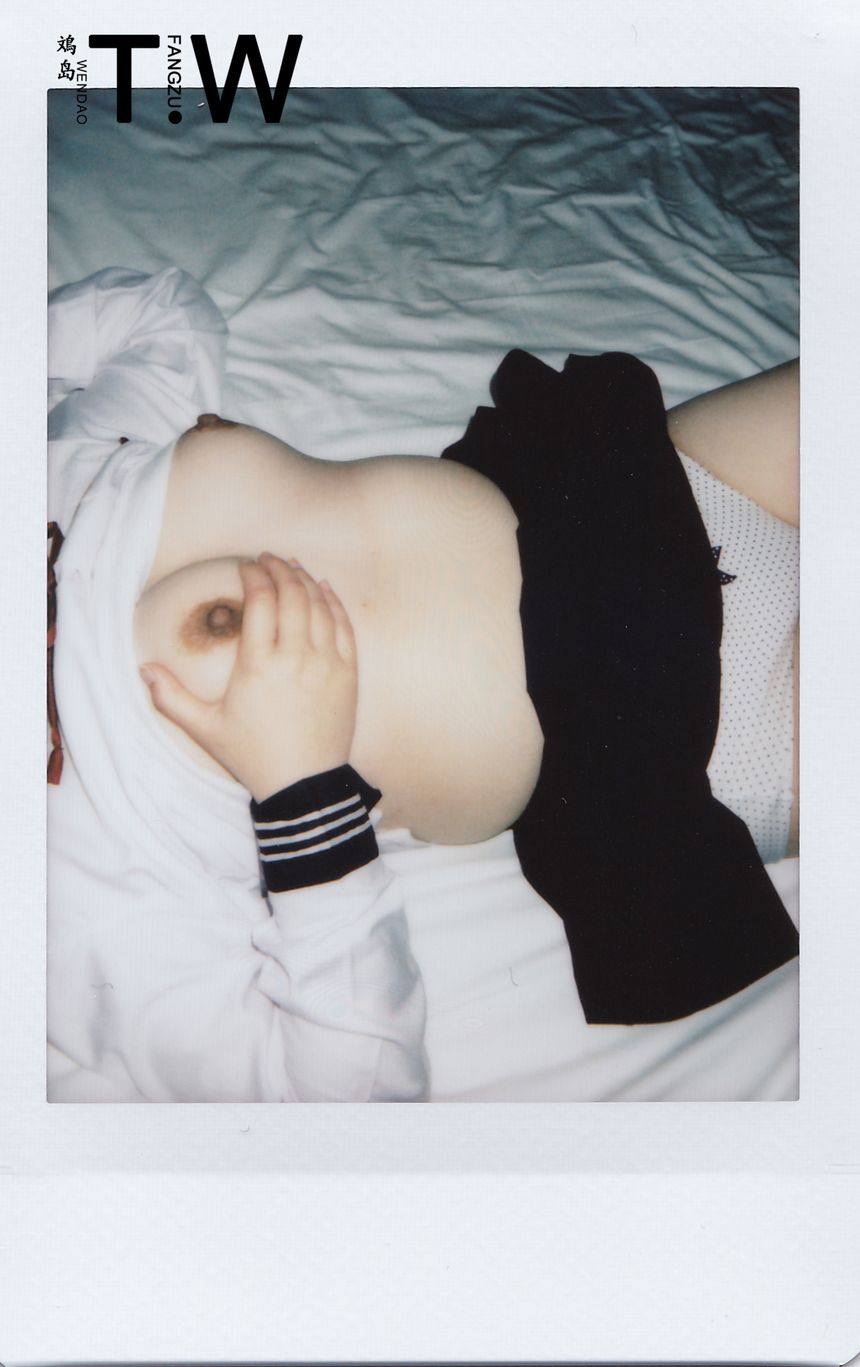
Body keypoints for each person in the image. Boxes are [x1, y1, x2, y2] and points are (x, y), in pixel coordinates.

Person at [48, 266, 799, 1099]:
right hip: (675, 730)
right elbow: (342, 1099)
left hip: (635, 482)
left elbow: (163, 316)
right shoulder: (65, 891)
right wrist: (301, 792)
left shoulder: (52, 475)